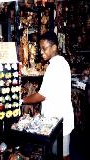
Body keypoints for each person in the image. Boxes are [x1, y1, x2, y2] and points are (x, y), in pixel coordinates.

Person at [22, 31, 74, 160]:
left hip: (59, 119)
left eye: (44, 48)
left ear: (54, 47)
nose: (41, 51)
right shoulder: (61, 62)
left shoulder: (55, 66)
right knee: (59, 153)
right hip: (58, 118)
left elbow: (42, 96)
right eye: (40, 48)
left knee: (63, 154)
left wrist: (22, 100)